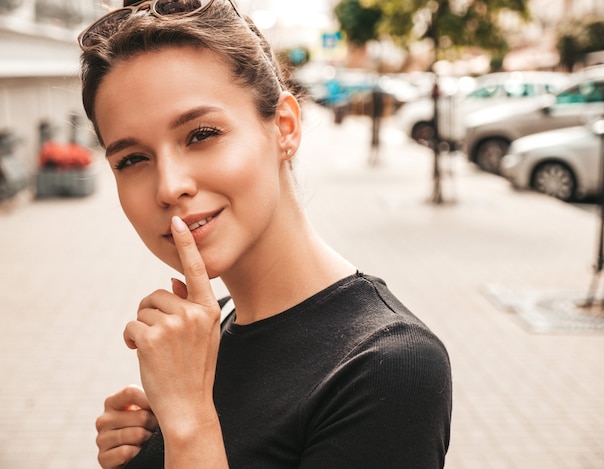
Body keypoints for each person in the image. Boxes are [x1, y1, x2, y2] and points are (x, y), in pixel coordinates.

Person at [78, 1, 452, 467]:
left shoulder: (388, 367)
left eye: (201, 134)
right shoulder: (208, 332)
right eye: (131, 159)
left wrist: (189, 422)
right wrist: (149, 448)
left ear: (284, 127)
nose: (170, 187)